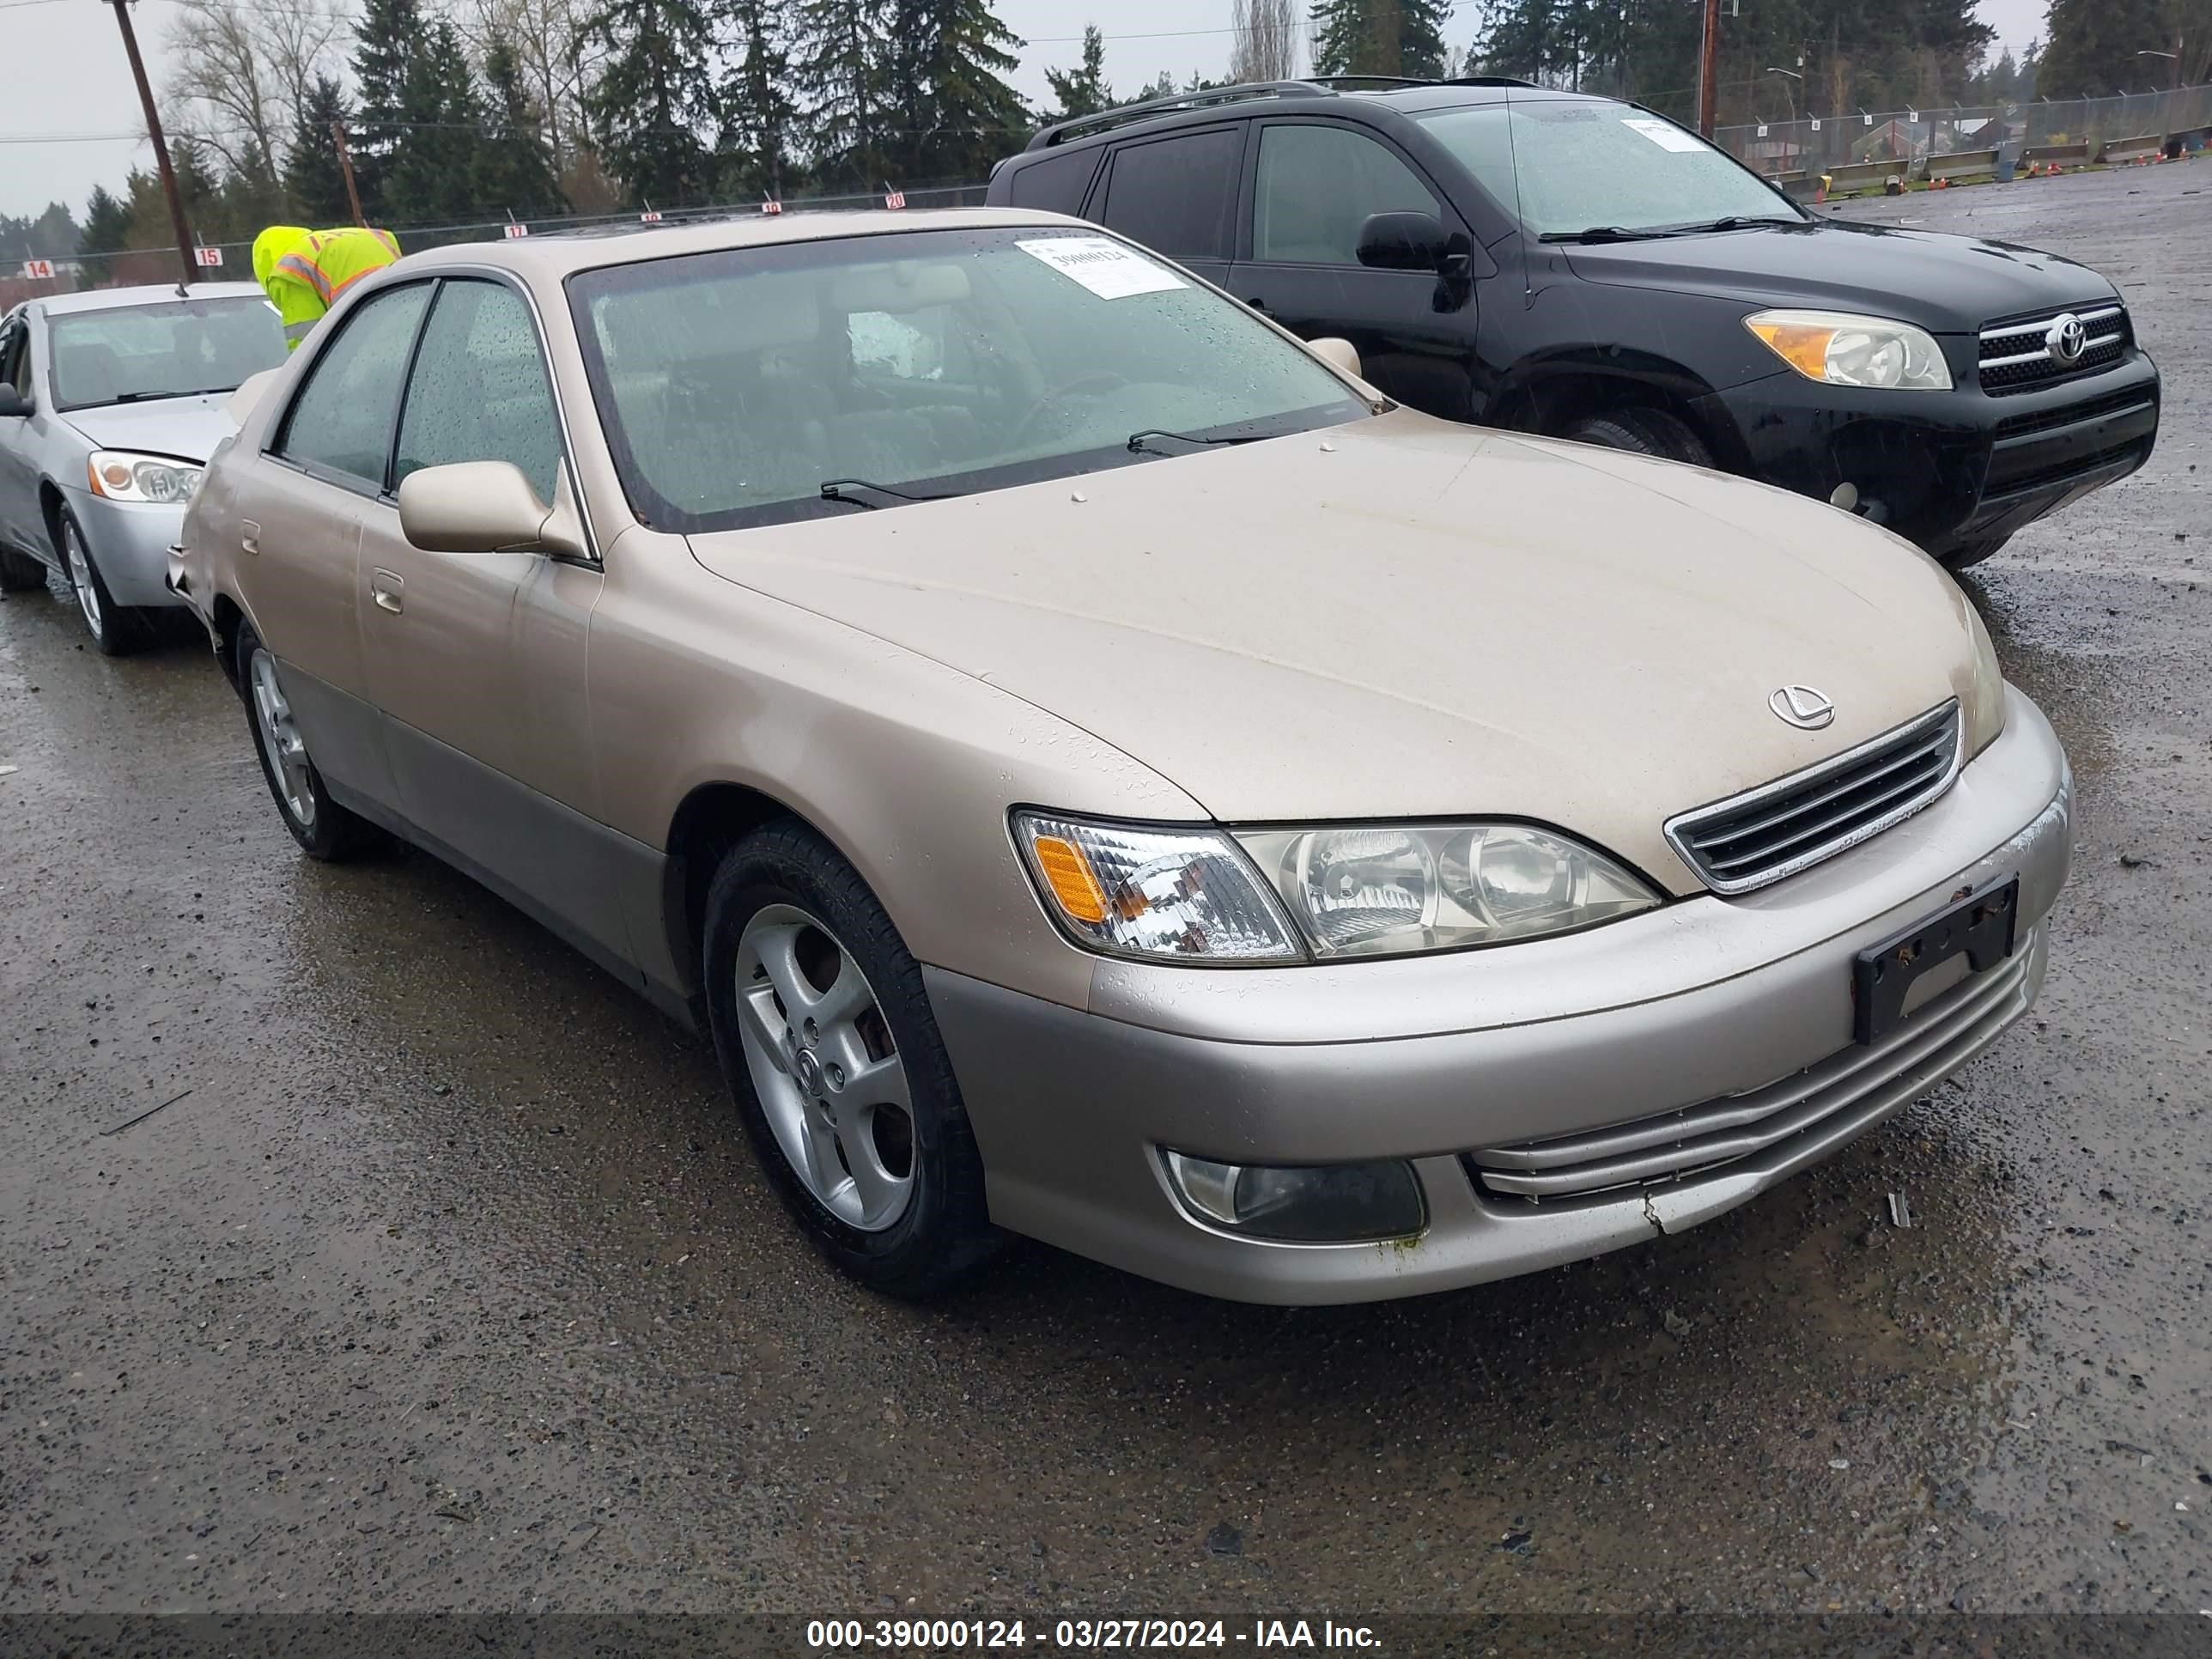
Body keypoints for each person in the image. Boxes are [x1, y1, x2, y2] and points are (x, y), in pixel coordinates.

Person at [251, 225, 403, 351]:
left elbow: (307, 345)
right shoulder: (319, 248)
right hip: (409, 318)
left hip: (371, 341)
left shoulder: (288, 272)